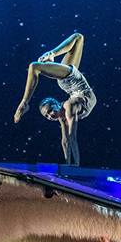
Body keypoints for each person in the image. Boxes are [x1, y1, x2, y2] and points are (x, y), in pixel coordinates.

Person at [13, 32, 96, 165]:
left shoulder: (69, 106)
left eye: (50, 111)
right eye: (47, 116)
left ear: (57, 104)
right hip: (72, 84)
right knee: (78, 38)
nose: (50, 116)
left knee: (34, 67)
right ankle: (51, 54)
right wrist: (67, 165)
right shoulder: (62, 116)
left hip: (70, 81)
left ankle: (24, 103)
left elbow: (72, 137)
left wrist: (76, 166)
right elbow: (65, 140)